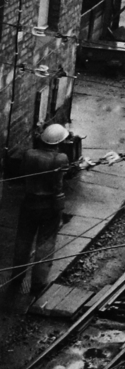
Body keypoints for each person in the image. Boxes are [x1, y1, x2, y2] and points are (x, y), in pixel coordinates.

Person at [9, 124, 72, 302]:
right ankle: (38, 282)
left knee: (23, 239)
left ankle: (17, 275)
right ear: (59, 141)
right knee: (46, 241)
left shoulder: (29, 154)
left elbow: (22, 173)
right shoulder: (60, 158)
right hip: (49, 206)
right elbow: (60, 181)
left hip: (29, 202)